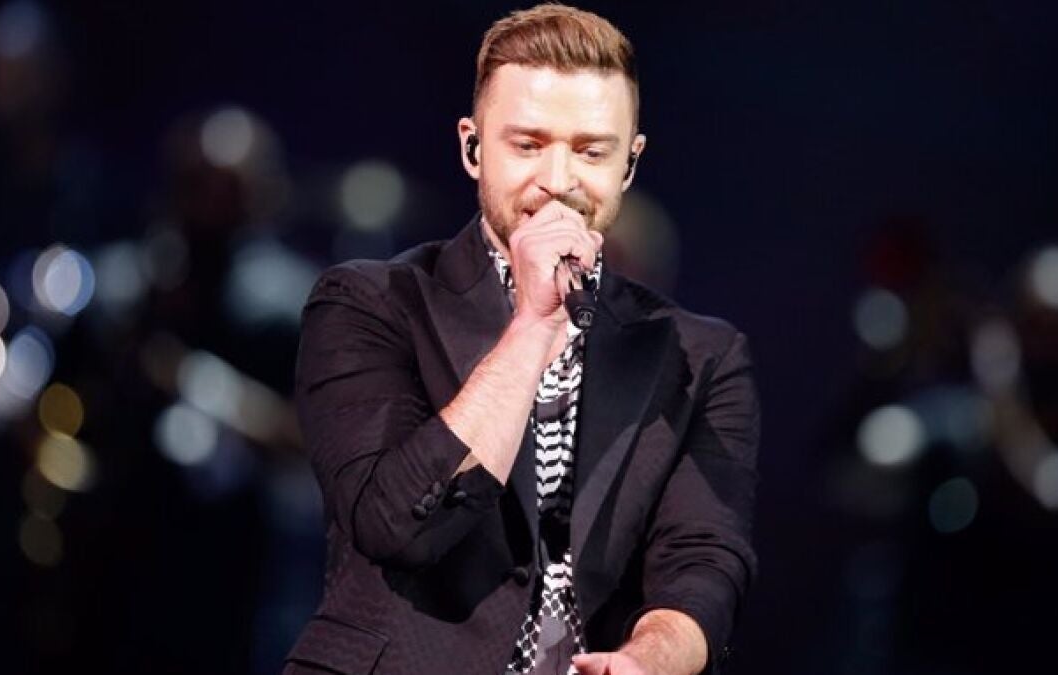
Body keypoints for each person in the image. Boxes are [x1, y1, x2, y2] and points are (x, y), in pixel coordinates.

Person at [285, 4, 758, 674]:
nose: (559, 182)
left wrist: (648, 660)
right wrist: (534, 323)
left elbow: (704, 563)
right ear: (473, 148)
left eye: (592, 151)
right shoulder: (368, 303)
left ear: (629, 164)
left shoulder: (700, 356)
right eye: (528, 145)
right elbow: (395, 523)